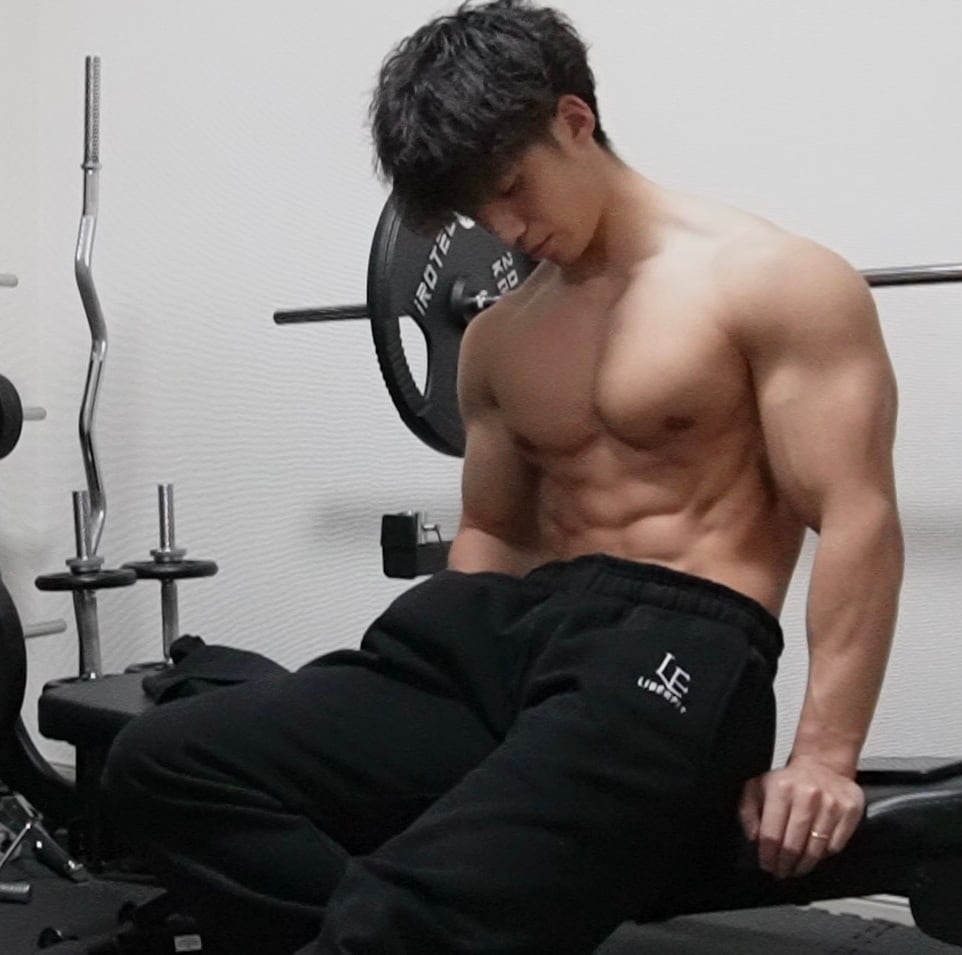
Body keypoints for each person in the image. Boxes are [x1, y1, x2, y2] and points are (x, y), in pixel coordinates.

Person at [101, 1, 904, 952]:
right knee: (162, 762)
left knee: (401, 907)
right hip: (501, 635)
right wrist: (445, 669)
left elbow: (855, 514)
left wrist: (823, 757)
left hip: (671, 648)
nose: (508, 230)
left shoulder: (775, 281)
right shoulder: (497, 337)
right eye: (479, 213)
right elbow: (495, 533)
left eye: (514, 188)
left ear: (575, 119)